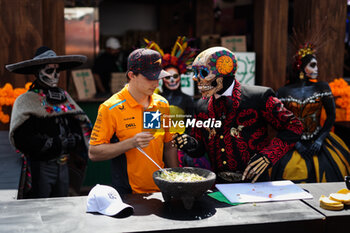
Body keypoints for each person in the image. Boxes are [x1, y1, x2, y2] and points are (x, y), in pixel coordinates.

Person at [172, 46, 303, 183]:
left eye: (203, 72)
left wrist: (268, 156)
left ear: (224, 73)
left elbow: (294, 126)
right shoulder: (201, 105)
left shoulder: (258, 97)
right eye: (195, 73)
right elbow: (199, 150)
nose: (195, 78)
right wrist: (189, 143)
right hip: (219, 185)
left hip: (256, 183)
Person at [89, 48, 178, 194]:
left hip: (161, 190)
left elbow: (169, 145)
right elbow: (94, 153)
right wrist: (131, 143)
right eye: (150, 78)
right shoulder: (110, 107)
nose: (156, 84)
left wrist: (175, 180)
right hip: (129, 193)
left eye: (158, 77)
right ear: (131, 75)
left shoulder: (162, 103)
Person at [6, 46, 92, 198]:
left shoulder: (64, 97)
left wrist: (75, 139)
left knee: (64, 204)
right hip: (41, 166)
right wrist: (54, 143)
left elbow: (79, 123)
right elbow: (21, 138)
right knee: (41, 206)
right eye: (49, 71)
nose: (55, 75)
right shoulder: (27, 100)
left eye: (57, 71)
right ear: (38, 72)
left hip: (64, 165)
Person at [271, 42, 350, 182]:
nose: (317, 69)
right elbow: (278, 122)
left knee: (331, 172)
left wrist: (319, 140)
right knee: (286, 172)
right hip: (292, 143)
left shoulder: (322, 87)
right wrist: (295, 143)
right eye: (312, 65)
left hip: (319, 141)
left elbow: (331, 116)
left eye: (317, 65)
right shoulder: (283, 91)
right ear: (301, 67)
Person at [144, 36, 210, 169]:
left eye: (175, 76)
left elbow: (192, 126)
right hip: (158, 147)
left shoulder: (187, 99)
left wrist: (184, 142)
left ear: (180, 77)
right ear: (162, 79)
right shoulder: (154, 99)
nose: (172, 80)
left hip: (180, 148)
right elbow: (151, 129)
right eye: (168, 77)